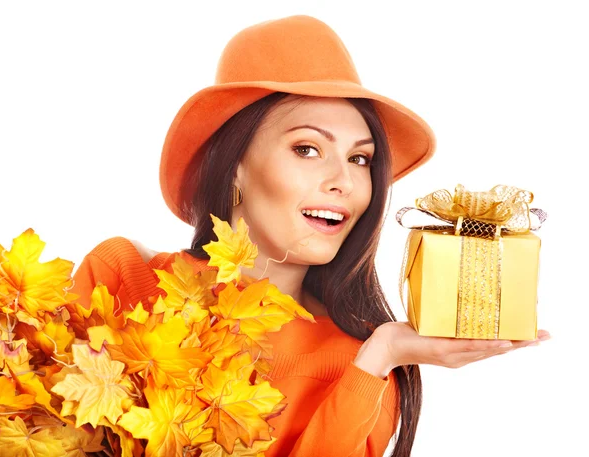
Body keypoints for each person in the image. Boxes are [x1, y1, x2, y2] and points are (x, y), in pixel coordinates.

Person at [70, 14, 550, 457]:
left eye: (360, 159)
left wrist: (379, 357)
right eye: (307, 148)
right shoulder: (125, 278)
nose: (344, 180)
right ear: (234, 168)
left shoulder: (363, 366)